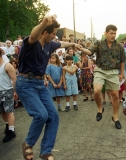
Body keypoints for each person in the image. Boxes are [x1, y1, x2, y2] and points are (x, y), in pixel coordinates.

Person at [16, 14, 82, 160]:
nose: (55, 36)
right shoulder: (31, 43)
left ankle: (46, 151)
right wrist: (44, 22)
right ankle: (28, 144)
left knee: (53, 116)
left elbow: (61, 44)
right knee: (41, 115)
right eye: (53, 33)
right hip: (26, 83)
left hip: (40, 84)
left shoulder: (50, 44)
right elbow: (34, 34)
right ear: (45, 32)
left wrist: (73, 44)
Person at [79, 24, 125, 129]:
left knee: (115, 96)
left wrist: (121, 73)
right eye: (111, 33)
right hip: (100, 70)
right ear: (106, 33)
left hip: (113, 72)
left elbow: (122, 61)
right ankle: (100, 108)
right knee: (96, 91)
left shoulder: (119, 46)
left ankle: (115, 117)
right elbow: (90, 51)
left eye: (115, 33)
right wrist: (82, 49)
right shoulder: (99, 44)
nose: (113, 35)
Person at [0, 47, 17, 143]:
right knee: (2, 111)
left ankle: (11, 131)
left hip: (7, 91)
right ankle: (7, 125)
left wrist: (15, 91)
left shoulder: (7, 66)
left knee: (9, 111)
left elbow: (14, 79)